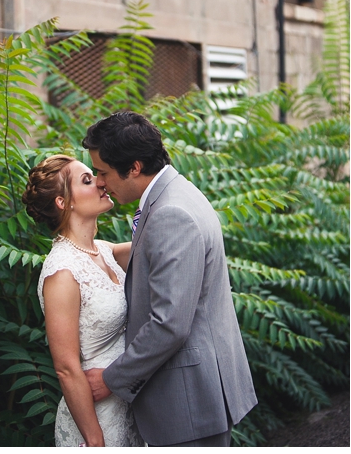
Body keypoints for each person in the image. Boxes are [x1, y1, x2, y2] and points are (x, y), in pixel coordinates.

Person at [80, 111, 257, 447]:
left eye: (102, 172)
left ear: (133, 167)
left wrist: (111, 379)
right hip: (197, 395)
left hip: (189, 401)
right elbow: (151, 256)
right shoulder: (176, 193)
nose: (100, 182)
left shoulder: (170, 214)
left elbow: (169, 324)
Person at [24, 154, 143, 447]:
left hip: (127, 402)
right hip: (96, 416)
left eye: (97, 176)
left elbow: (154, 244)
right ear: (64, 203)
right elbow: (66, 367)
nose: (102, 183)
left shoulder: (103, 251)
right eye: (88, 180)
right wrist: (94, 440)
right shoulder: (62, 271)